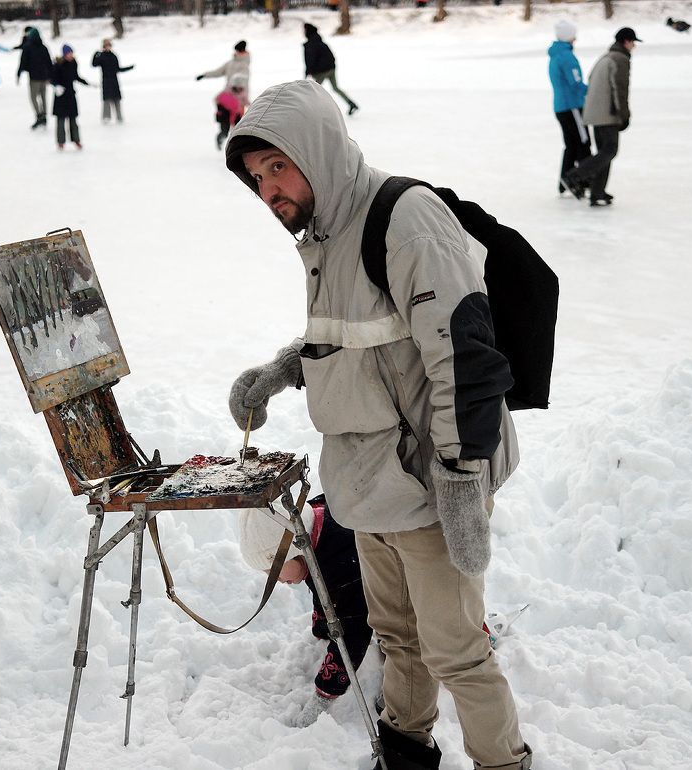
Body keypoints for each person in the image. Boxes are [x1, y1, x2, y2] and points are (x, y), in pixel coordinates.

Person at [223, 80, 533, 770]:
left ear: (317, 150)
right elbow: (353, 340)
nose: (269, 188)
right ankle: (406, 746)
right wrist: (281, 370)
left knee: (455, 646)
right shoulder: (325, 236)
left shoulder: (404, 218)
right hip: (369, 483)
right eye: (257, 177)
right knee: (395, 634)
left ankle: (503, 762)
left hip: (429, 476)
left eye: (278, 166)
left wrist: (459, 476)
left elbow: (465, 354)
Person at [238, 495, 372, 726]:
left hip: (404, 599)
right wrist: (322, 627)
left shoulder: (340, 564)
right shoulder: (313, 530)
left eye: (274, 569)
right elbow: (320, 585)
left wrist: (322, 697)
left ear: (294, 550)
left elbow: (354, 631)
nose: (277, 580)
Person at [562, 27, 641, 207]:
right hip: (607, 114)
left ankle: (597, 192)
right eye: (633, 42)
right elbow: (620, 89)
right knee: (610, 150)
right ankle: (575, 176)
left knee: (604, 153)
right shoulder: (620, 58)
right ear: (627, 42)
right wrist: (624, 114)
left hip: (595, 113)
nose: (634, 46)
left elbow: (591, 79)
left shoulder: (606, 56)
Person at [548, 20, 590, 195]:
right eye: (573, 35)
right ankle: (581, 179)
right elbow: (576, 83)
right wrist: (593, 92)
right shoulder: (566, 56)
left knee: (571, 144)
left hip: (561, 106)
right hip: (572, 106)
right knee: (583, 142)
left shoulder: (556, 55)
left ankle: (565, 181)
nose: (576, 39)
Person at [303, 23, 358, 116]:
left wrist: (309, 71)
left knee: (314, 90)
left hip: (322, 71)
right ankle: (351, 103)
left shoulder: (311, 44)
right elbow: (331, 57)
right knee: (335, 88)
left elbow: (310, 59)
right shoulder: (320, 42)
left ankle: (309, 112)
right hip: (331, 69)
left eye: (304, 30)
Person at [52, 44, 89, 150]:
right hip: (60, 96)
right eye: (69, 53)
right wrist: (56, 86)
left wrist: (85, 82)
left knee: (73, 120)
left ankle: (76, 140)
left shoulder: (73, 63)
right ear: (64, 54)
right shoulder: (57, 64)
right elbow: (52, 78)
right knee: (61, 120)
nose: (71, 55)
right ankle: (60, 142)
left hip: (71, 95)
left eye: (72, 53)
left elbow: (75, 76)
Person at [17, 27, 53, 128]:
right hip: (44, 77)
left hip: (34, 78)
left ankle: (39, 115)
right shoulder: (44, 47)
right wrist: (51, 75)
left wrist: (19, 73)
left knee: (33, 97)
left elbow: (23, 61)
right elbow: (49, 62)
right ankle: (44, 115)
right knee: (43, 97)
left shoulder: (27, 47)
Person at [91, 38, 134, 123]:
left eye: (109, 45)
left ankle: (119, 116)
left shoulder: (113, 56)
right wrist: (95, 54)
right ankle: (106, 117)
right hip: (106, 81)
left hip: (114, 81)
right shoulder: (101, 56)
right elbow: (94, 64)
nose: (108, 47)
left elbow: (118, 69)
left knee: (117, 99)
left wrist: (129, 68)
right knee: (107, 99)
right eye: (106, 46)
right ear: (103, 46)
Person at [196, 40, 250, 105]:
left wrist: (237, 87)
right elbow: (218, 72)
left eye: (239, 50)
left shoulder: (244, 65)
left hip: (239, 97)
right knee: (220, 105)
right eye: (237, 50)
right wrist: (204, 75)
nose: (237, 52)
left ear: (243, 51)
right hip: (228, 94)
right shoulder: (230, 63)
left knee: (237, 114)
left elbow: (243, 78)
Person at [214, 74, 245, 150]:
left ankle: (237, 147)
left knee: (238, 131)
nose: (238, 87)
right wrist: (222, 108)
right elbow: (217, 100)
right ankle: (219, 140)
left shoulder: (242, 93)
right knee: (225, 132)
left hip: (237, 115)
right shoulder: (226, 93)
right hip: (225, 116)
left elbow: (246, 102)